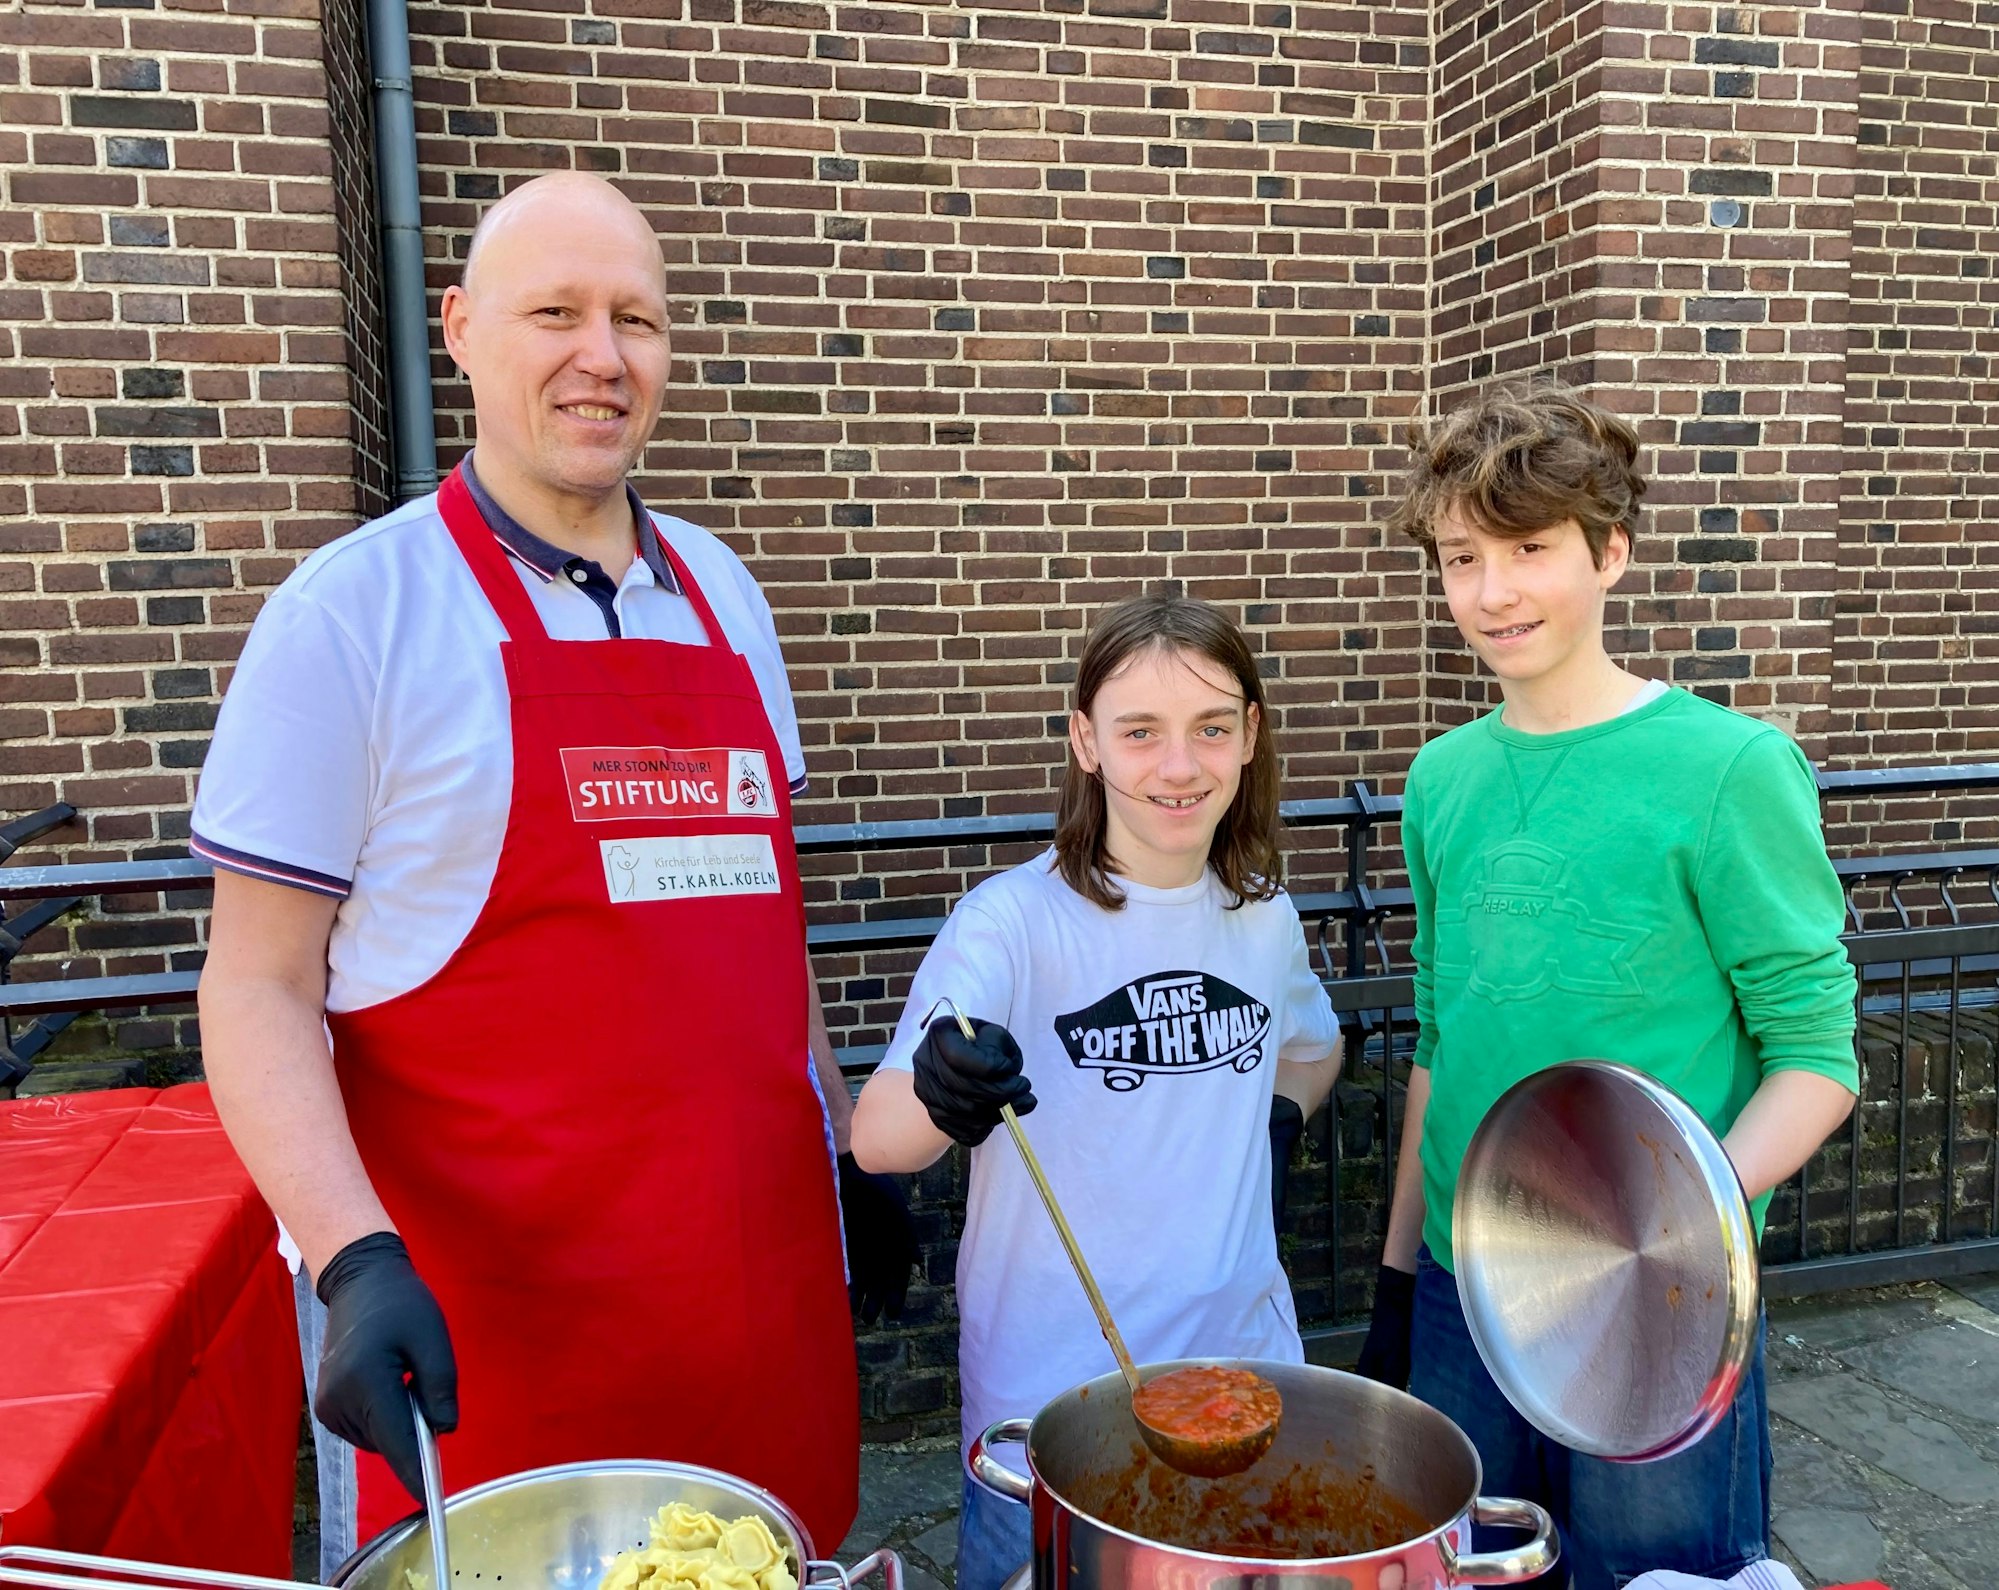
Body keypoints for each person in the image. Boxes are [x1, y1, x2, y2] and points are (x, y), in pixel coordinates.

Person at [192, 172, 910, 1573]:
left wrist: (838, 1149)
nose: (603, 353)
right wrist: (348, 1258)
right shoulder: (350, 617)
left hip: (755, 1312)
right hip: (484, 1342)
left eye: (635, 318)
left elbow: (762, 934)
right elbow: (257, 984)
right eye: (555, 312)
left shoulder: (728, 592)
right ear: (459, 328)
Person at [1355, 385, 1859, 1589]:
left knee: (1653, 1576)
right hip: (1464, 1285)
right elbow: (1442, 1034)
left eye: (1530, 549)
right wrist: (1394, 1274)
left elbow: (1816, 1055)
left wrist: (1675, 1223)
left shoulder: (1730, 768)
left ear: (1610, 552)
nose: (1494, 592)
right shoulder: (1441, 780)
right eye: (1462, 557)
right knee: (1468, 1568)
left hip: (1661, 1295)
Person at [850, 594, 1344, 1590]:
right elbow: (877, 1139)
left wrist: (1279, 1124)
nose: (1177, 766)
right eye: (1139, 732)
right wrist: (941, 1095)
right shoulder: (1012, 923)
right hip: (1051, 1416)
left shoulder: (1263, 917)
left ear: (1249, 737)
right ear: (1087, 741)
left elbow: (1312, 1047)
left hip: (1244, 1384)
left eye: (1211, 727)